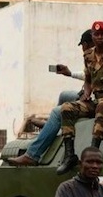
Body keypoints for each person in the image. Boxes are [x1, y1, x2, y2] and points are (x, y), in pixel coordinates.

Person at [8, 29, 96, 167]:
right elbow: (88, 77)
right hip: (89, 95)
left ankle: (33, 154)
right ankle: (53, 126)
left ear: (86, 44)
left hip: (98, 101)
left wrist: (88, 94)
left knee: (57, 112)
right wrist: (71, 74)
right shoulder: (94, 56)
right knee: (64, 95)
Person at [56, 21, 103, 175]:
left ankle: (92, 153)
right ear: (92, 35)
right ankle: (70, 155)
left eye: (102, 34)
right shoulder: (88, 55)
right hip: (96, 99)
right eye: (96, 34)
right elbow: (88, 79)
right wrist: (86, 92)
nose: (99, 37)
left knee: (102, 106)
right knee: (66, 108)